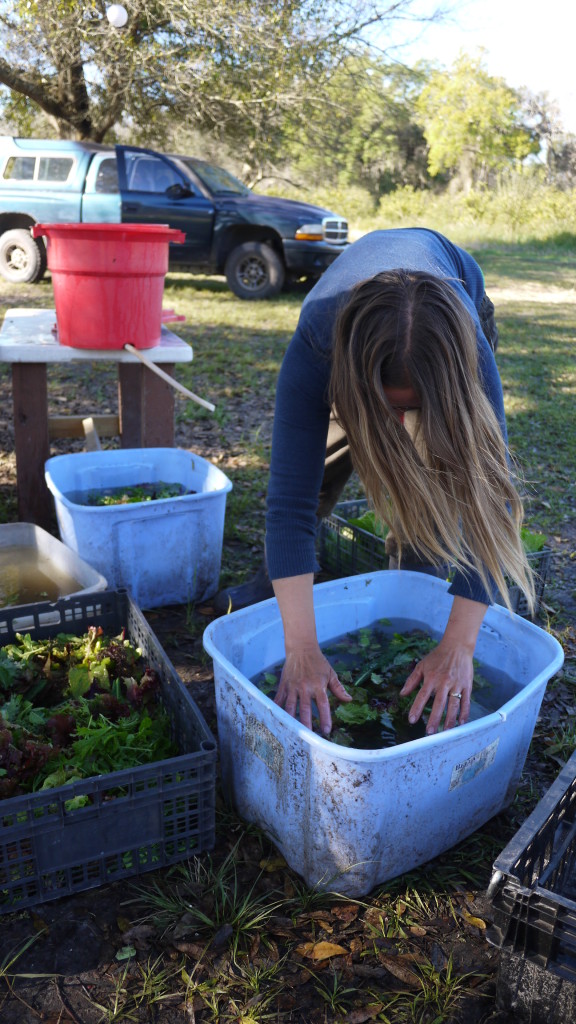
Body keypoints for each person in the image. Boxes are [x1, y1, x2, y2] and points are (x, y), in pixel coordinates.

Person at [215, 227, 535, 736]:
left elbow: (490, 499)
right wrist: (301, 651)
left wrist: (458, 645)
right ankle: (270, 592)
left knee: (434, 488)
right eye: (393, 408)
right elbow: (288, 505)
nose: (402, 423)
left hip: (446, 340)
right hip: (352, 354)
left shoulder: (466, 353)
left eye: (413, 409)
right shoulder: (317, 348)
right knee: (313, 477)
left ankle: (424, 591)